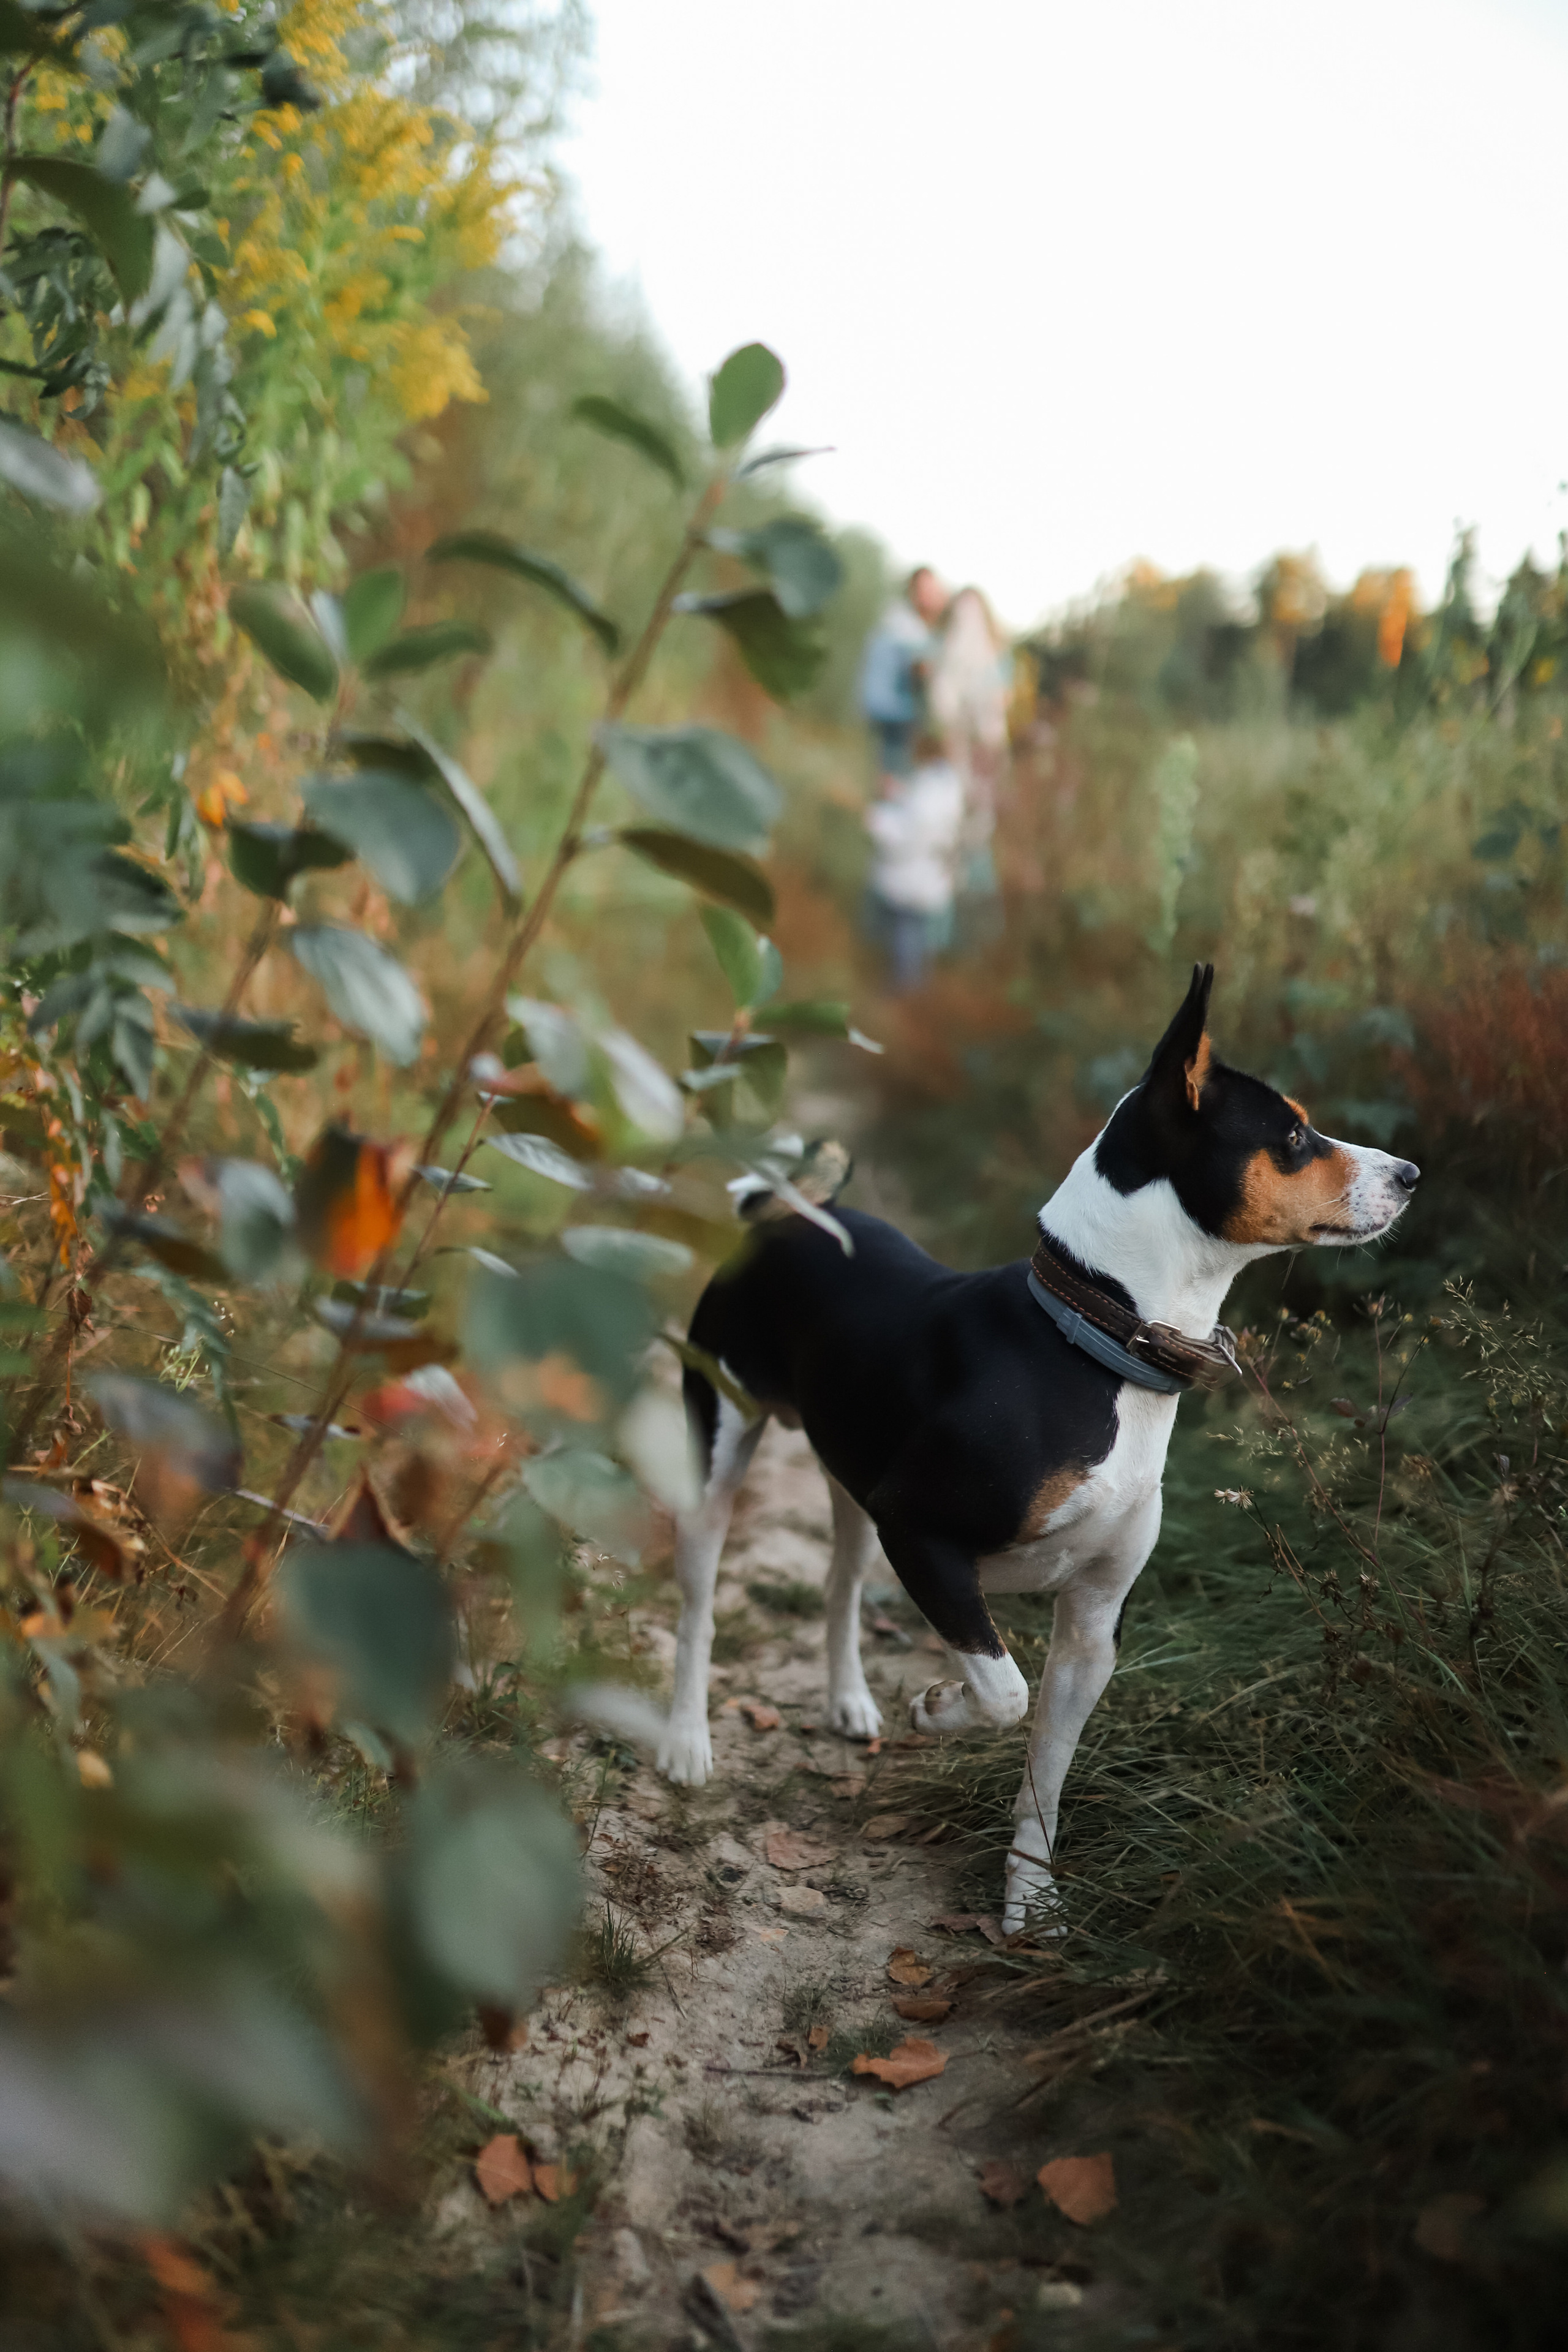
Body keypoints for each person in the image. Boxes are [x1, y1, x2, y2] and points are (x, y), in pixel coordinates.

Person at [930, 584, 1012, 917]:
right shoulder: (944, 652)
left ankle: (978, 919)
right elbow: (942, 707)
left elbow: (999, 704)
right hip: (955, 753)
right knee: (948, 828)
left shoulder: (997, 655)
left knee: (979, 832)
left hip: (985, 753)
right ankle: (945, 919)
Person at [863, 726, 964, 993]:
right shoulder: (945, 783)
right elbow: (918, 807)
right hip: (929, 869)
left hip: (915, 871)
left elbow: (910, 833)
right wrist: (898, 792)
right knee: (915, 930)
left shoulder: (930, 792)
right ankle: (914, 984)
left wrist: (876, 819)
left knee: (906, 929)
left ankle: (905, 987)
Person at [857, 565, 948, 785]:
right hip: (894, 709)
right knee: (894, 775)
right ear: (913, 591)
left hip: (890, 708)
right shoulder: (906, 624)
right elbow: (921, 669)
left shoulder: (900, 619)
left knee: (891, 770)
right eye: (927, 591)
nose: (931, 597)